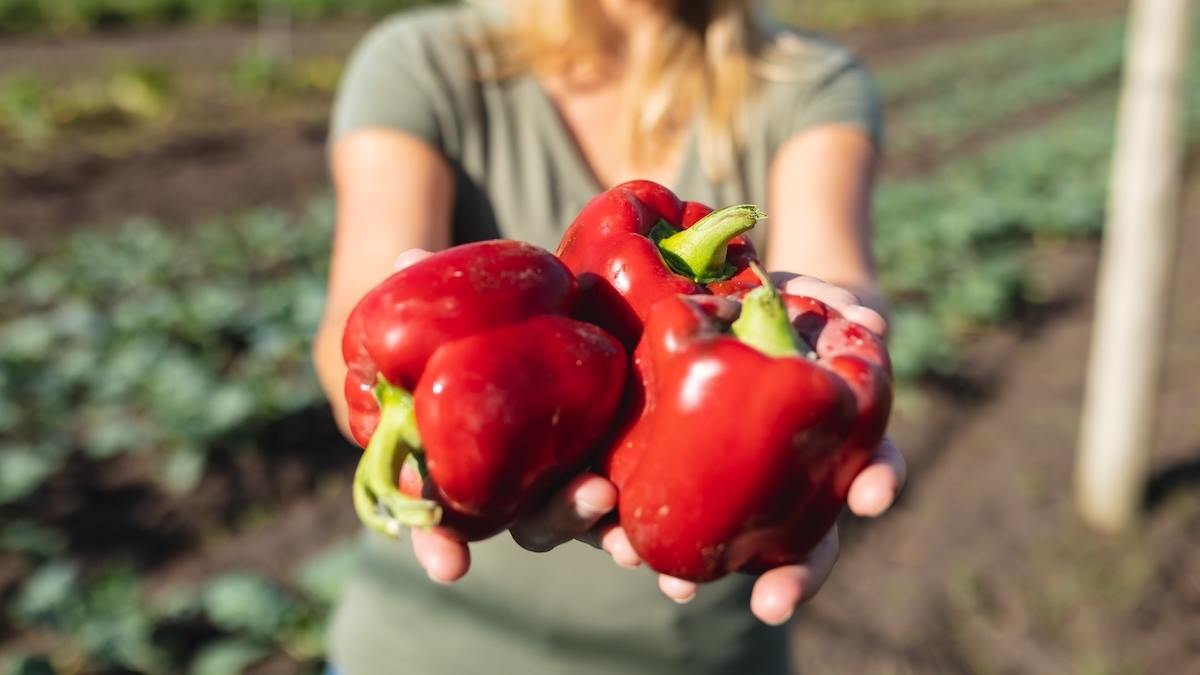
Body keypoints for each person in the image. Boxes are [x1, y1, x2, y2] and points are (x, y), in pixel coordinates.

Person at [311, 1, 907, 673]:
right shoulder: (423, 61)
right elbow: (354, 326)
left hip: (701, 650)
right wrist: (454, 433)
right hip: (423, 652)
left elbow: (829, 277)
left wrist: (827, 353)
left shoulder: (812, 81)